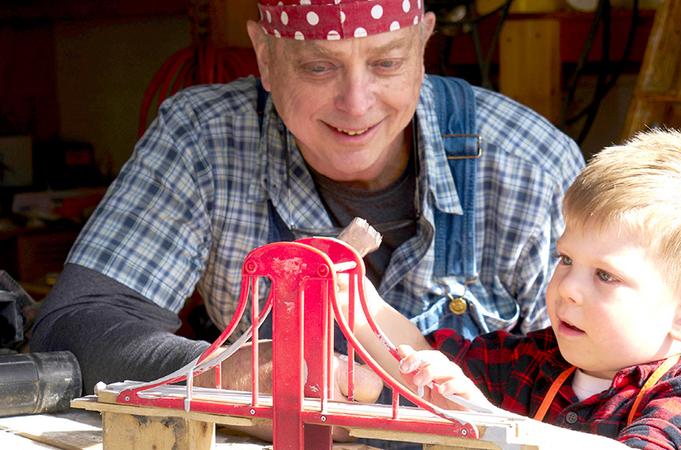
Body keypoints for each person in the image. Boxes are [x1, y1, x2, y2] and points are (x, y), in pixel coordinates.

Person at [30, 0, 583, 407]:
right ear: (266, 57)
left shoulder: (530, 167)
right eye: (319, 67)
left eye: (387, 63)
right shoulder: (204, 139)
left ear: (422, 44)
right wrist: (232, 371)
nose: (357, 104)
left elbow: (610, 386)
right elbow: (74, 326)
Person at [340, 129, 681, 448]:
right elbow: (420, 361)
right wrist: (353, 297)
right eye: (566, 260)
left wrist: (489, 420)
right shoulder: (538, 359)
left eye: (605, 275)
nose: (568, 289)